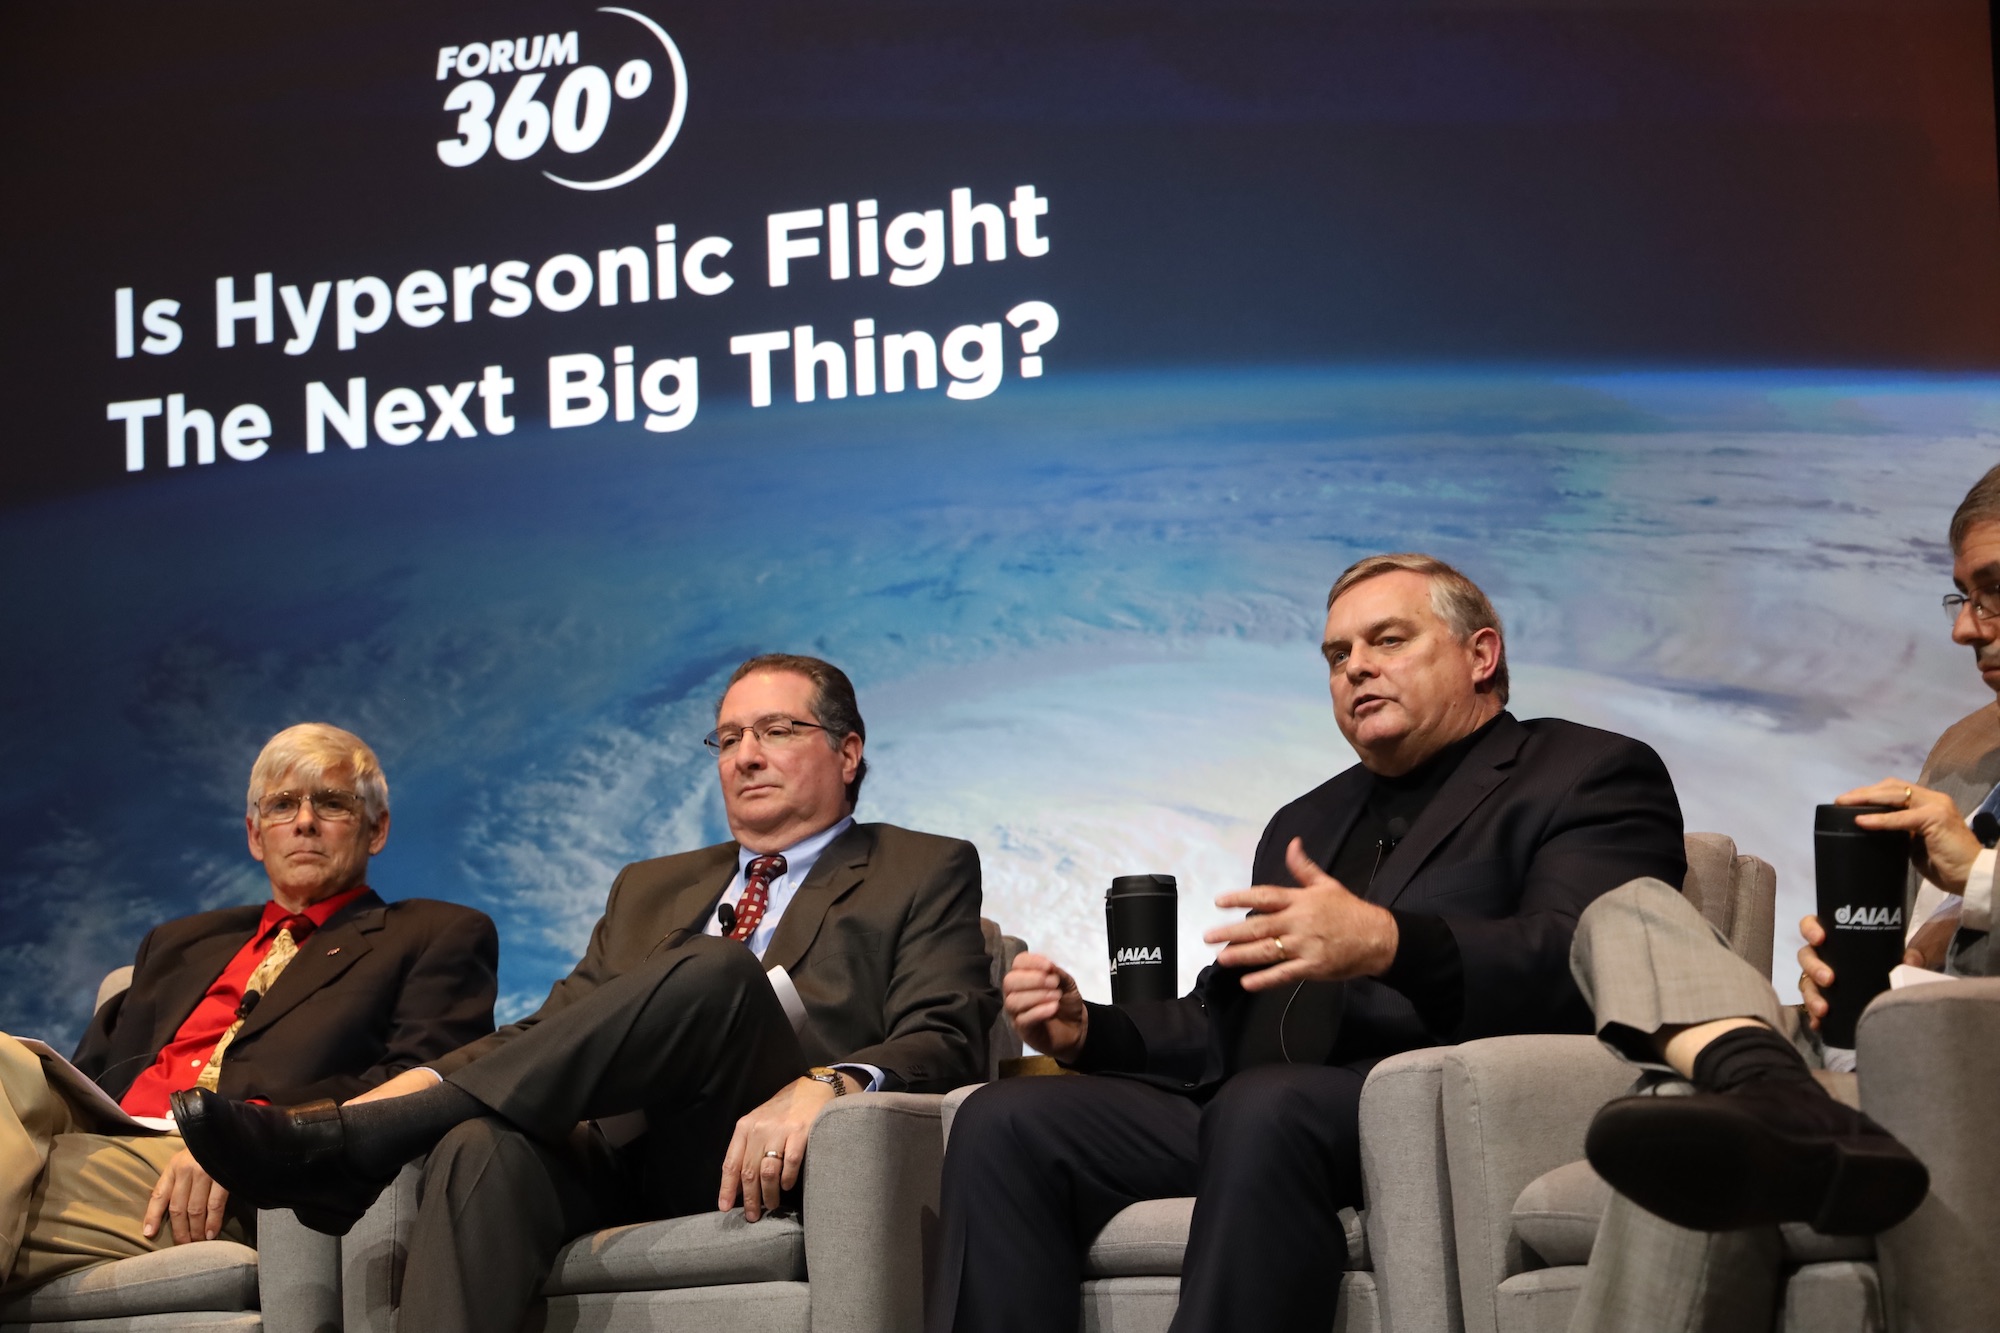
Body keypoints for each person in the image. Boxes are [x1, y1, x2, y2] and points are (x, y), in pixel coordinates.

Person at [928, 553, 1688, 1333]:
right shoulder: (1308, 820)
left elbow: (1582, 957)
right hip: (1262, 1114)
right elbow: (1230, 1016)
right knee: (1003, 1118)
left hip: (1436, 1107)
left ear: (1481, 655)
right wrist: (1090, 1027)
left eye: (1387, 641)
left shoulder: (1586, 773)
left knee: (1265, 1104)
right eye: (1337, 656)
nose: (1357, 667)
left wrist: (1392, 943)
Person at [176, 653, 997, 1333]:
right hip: (625, 1149)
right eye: (729, 736)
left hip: (775, 1149)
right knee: (477, 1148)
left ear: (848, 752)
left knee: (717, 969)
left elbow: (946, 1034)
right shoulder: (650, 885)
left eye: (778, 730)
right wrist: (391, 1101)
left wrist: (829, 1081)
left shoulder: (922, 866)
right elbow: (549, 1031)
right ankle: (371, 1137)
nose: (745, 754)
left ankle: (359, 1147)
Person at [1566, 465, 2000, 1331]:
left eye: (1993, 593)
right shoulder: (1968, 745)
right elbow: (1923, 949)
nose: (1963, 628)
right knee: (1629, 911)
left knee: (1691, 1112)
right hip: (1870, 1048)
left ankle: (1762, 1094)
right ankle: (1768, 1080)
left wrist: (1979, 877)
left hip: (1964, 1069)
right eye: (1959, 595)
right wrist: (1856, 967)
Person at [0, 723, 497, 1297]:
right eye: (283, 805)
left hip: (228, 1166)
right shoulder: (178, 943)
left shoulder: (434, 933)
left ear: (376, 829)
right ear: (255, 835)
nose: (304, 821)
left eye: (332, 802)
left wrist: (239, 1140)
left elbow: (419, 1086)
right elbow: (86, 1076)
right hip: (101, 1134)